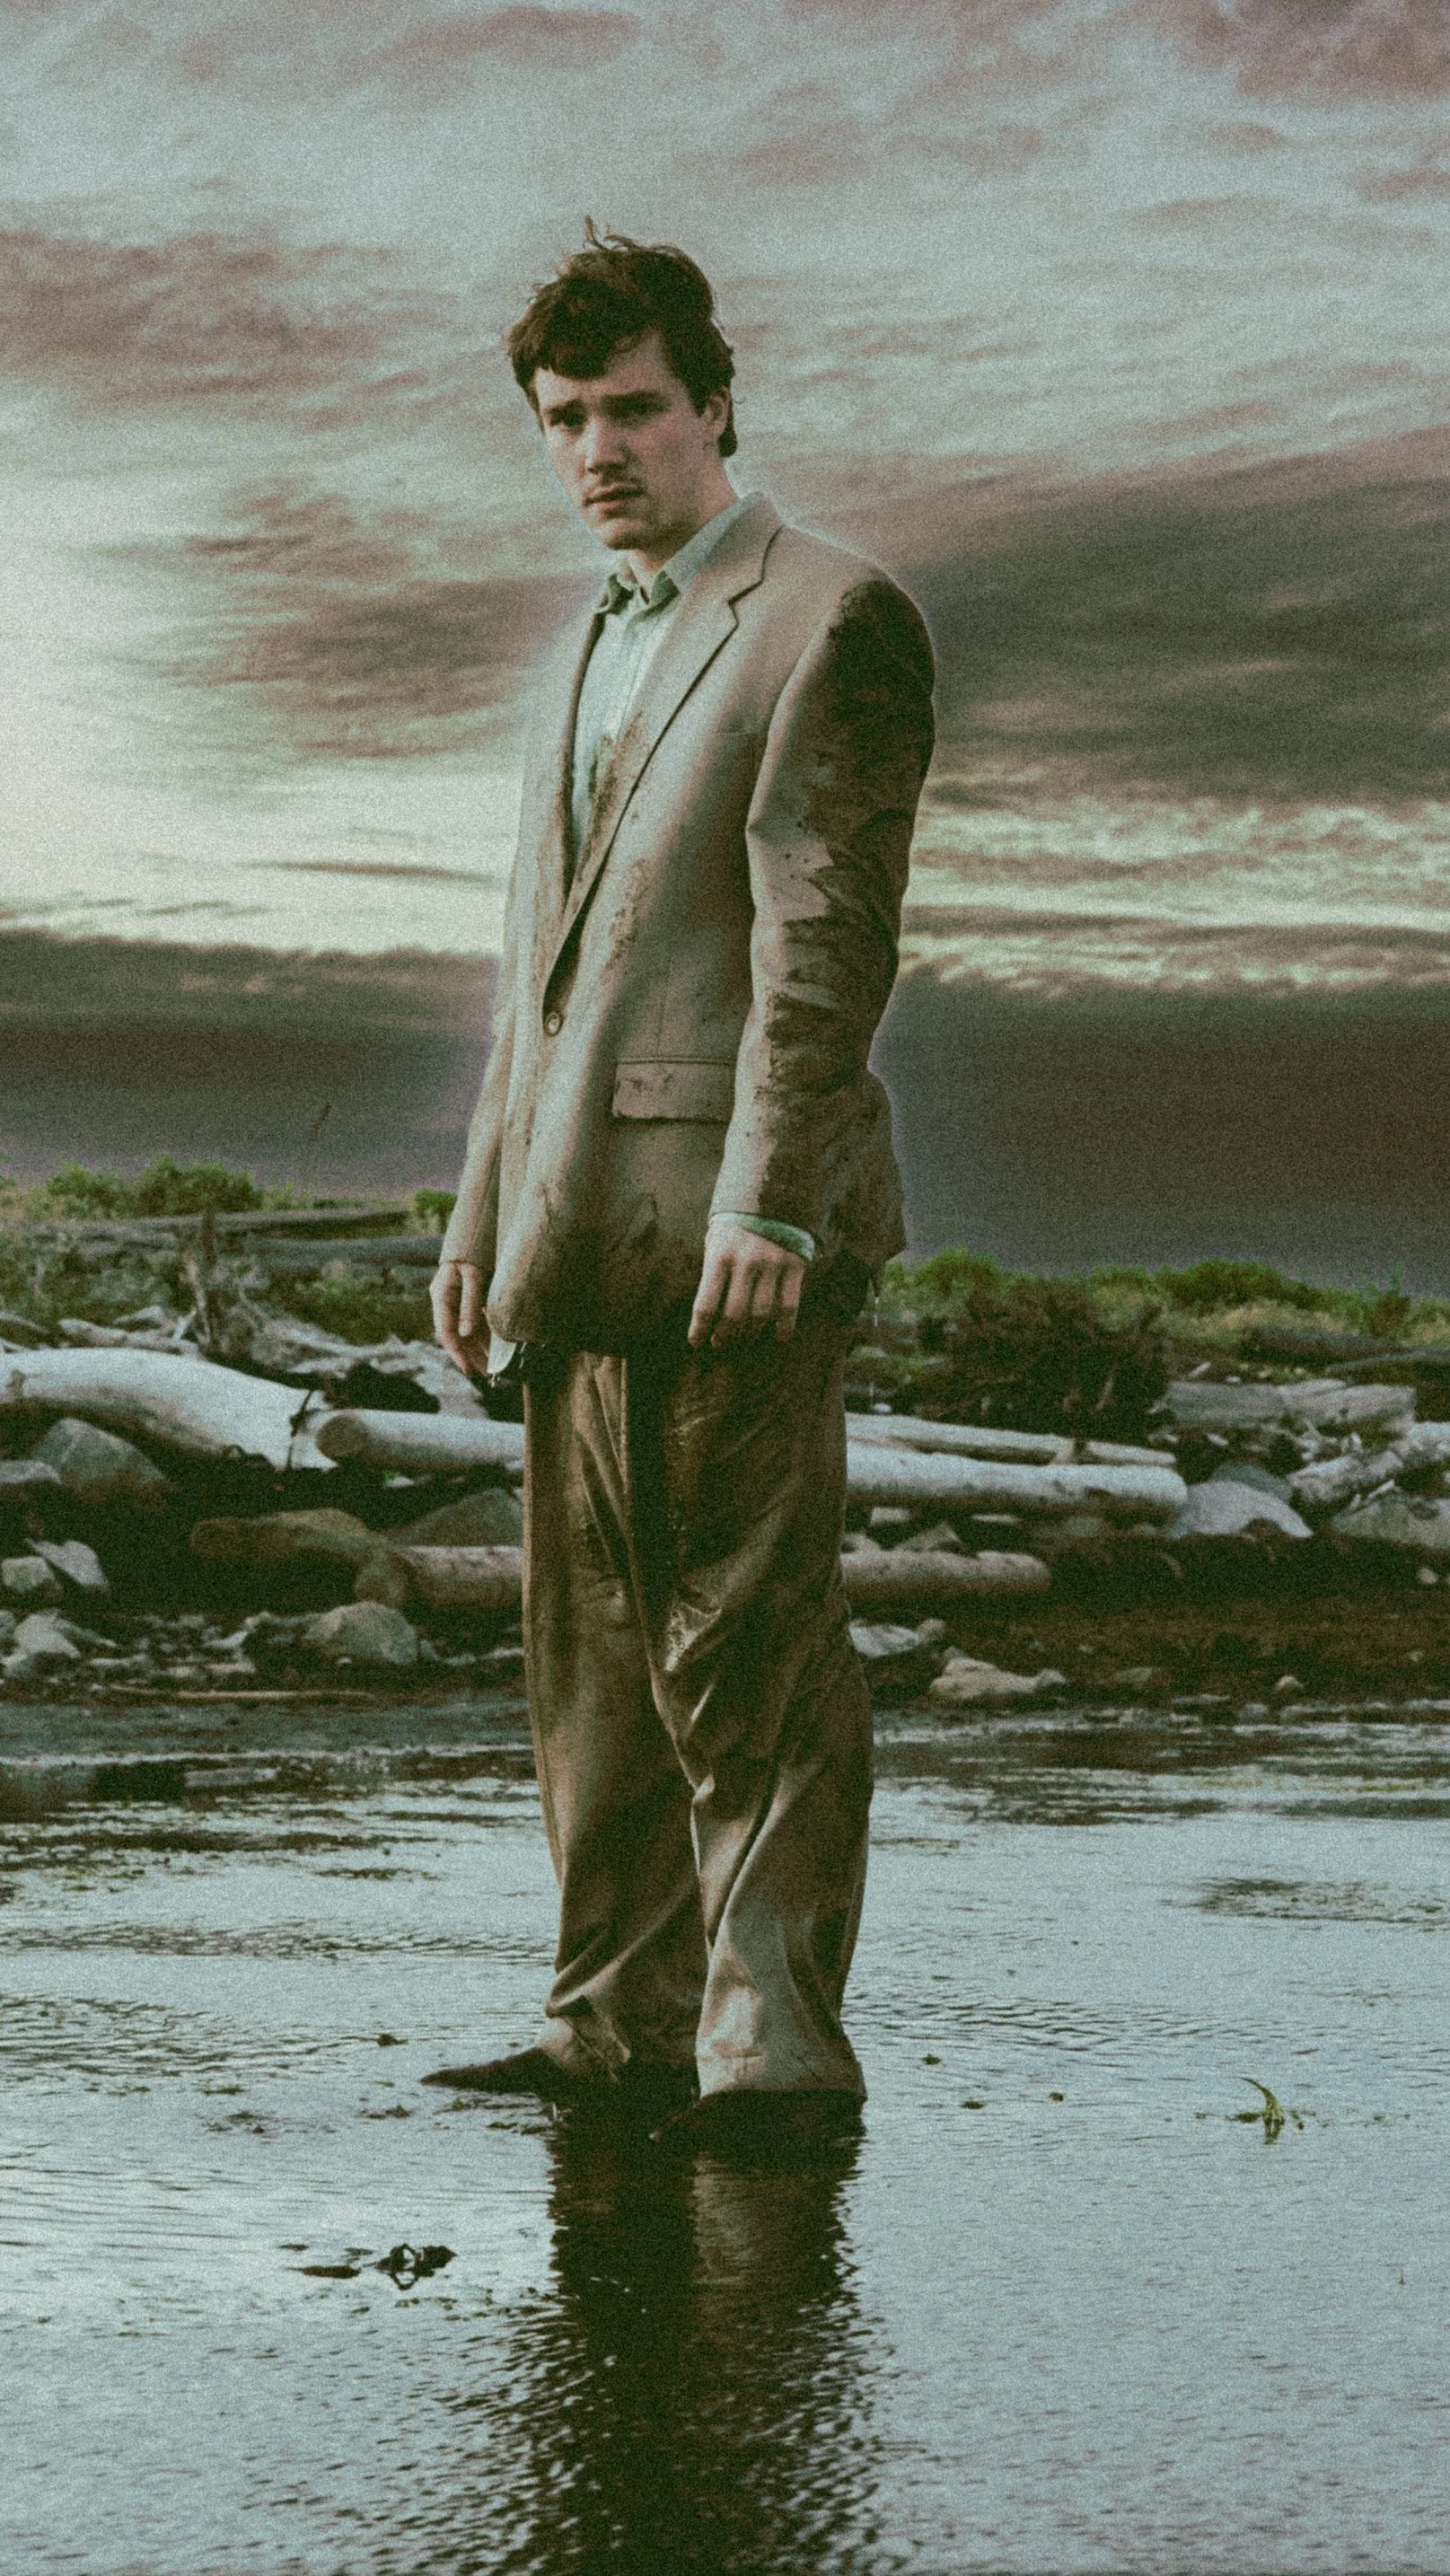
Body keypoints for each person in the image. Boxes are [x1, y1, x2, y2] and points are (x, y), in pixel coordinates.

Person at [426, 228, 935, 2156]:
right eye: (564, 418)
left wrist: (773, 1206)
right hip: (570, 1226)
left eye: (631, 406)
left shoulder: (831, 617)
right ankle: (610, 2023)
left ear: (714, 401)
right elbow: (528, 974)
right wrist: (477, 1220)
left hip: (738, 1230)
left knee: (747, 1643)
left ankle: (771, 2053)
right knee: (590, 1668)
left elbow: (825, 952)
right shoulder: (579, 641)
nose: (596, 447)